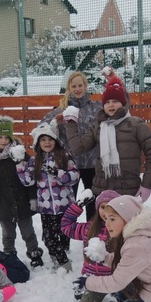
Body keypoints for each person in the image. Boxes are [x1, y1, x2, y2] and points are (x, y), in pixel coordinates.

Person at [61, 78, 151, 200]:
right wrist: (71, 122)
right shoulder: (98, 126)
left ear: (123, 103)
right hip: (102, 191)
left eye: (115, 101)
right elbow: (79, 148)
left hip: (128, 192)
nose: (111, 105)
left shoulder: (136, 125)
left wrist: (147, 185)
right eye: (107, 102)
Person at [0, 115, 45, 268]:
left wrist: (32, 198)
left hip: (22, 201)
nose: (3, 140)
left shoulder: (19, 154)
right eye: (0, 137)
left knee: (28, 231)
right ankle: (9, 255)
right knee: (8, 234)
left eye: (6, 137)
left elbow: (30, 176)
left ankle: (34, 252)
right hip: (3, 203)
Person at [16, 122, 79, 272]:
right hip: (46, 207)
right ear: (38, 143)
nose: (47, 143)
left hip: (64, 204)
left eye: (50, 139)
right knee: (49, 237)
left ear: (55, 140)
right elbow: (28, 181)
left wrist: (58, 173)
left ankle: (62, 254)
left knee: (64, 233)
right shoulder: (35, 160)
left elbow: (74, 176)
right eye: (43, 140)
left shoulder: (64, 156)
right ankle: (63, 262)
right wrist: (20, 164)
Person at [42, 71, 101, 218]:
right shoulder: (62, 109)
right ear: (69, 88)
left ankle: (91, 231)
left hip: (92, 163)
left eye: (80, 85)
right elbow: (42, 127)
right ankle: (67, 230)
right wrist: (55, 123)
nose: (77, 89)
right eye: (74, 86)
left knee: (93, 202)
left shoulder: (96, 108)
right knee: (68, 203)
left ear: (85, 86)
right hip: (70, 164)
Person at [61, 189, 120, 302]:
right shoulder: (89, 228)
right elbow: (66, 227)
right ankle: (84, 290)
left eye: (110, 207)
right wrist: (77, 206)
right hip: (92, 279)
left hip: (115, 278)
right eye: (103, 207)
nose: (106, 212)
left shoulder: (122, 230)